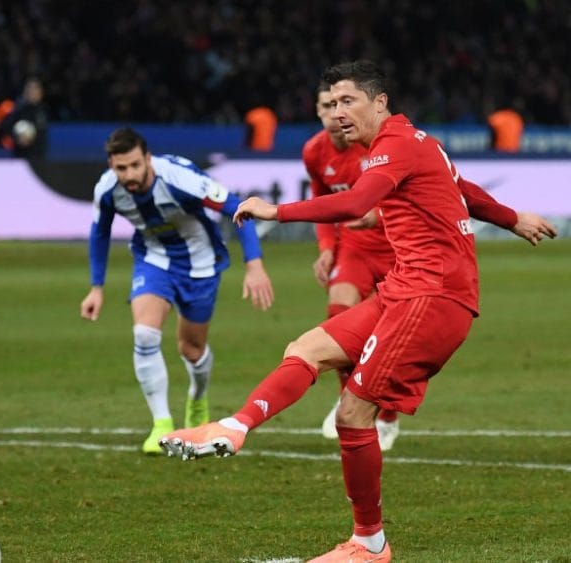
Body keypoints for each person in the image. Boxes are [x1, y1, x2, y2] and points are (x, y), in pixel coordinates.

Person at [159, 61, 557, 561]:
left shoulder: (395, 145)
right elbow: (463, 189)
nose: (340, 113)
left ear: (380, 102)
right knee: (306, 348)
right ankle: (233, 427)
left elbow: (356, 203)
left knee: (352, 414)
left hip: (433, 296)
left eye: (349, 101)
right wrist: (512, 216)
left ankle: (370, 544)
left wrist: (275, 211)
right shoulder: (415, 142)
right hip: (404, 288)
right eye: (332, 103)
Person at [80, 127, 275, 454]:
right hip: (153, 259)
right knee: (144, 334)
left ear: (147, 158)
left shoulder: (180, 178)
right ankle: (161, 425)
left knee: (191, 350)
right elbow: (99, 233)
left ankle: (198, 400)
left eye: (134, 166)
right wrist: (96, 287)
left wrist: (254, 265)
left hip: (201, 263)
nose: (128, 175)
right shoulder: (108, 189)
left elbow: (238, 208)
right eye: (120, 168)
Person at [302, 84, 401, 450]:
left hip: (396, 248)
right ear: (317, 110)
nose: (334, 113)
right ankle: (349, 402)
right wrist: (327, 248)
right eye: (327, 105)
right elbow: (321, 201)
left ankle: (388, 417)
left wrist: (378, 214)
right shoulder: (314, 152)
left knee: (389, 338)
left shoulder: (373, 143)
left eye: (341, 104)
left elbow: (407, 192)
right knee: (339, 319)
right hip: (354, 249)